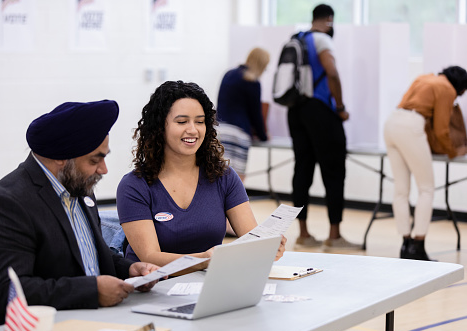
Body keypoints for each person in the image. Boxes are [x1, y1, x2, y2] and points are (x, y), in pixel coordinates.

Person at [0, 100, 160, 328]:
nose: (104, 169)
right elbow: (11, 292)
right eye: (95, 159)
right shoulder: (9, 203)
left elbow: (88, 254)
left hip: (95, 320)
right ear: (61, 157)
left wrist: (129, 269)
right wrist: (92, 291)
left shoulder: (78, 187)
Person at [116, 81, 286, 272]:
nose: (193, 130)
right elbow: (150, 256)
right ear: (159, 127)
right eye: (182, 122)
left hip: (207, 285)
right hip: (152, 289)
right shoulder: (134, 186)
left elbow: (251, 237)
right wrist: (203, 260)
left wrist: (267, 247)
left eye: (200, 121)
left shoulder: (223, 177)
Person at [285, 4, 358, 250]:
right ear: (329, 19)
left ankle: (303, 234)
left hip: (296, 110)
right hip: (320, 111)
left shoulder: (297, 39)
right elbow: (332, 73)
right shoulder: (321, 39)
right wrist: (340, 106)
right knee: (334, 172)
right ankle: (334, 235)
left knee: (302, 170)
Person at [384, 66, 467, 261]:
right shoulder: (447, 89)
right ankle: (418, 246)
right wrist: (453, 151)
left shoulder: (424, 78)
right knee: (427, 188)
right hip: (411, 127)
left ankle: (405, 245)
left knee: (401, 190)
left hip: (391, 123)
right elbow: (441, 130)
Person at [216, 47, 270, 182]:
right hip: (238, 133)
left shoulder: (228, 74)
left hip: (220, 130)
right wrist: (263, 136)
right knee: (236, 180)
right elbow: (256, 114)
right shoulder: (252, 81)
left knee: (218, 175)